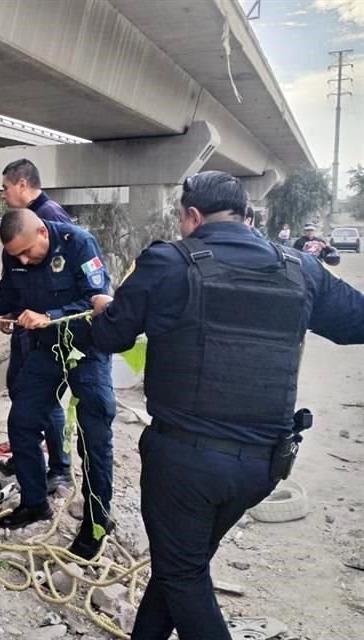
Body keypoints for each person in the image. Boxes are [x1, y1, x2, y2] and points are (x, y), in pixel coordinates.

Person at [88, 170, 364, 640]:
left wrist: (103, 308)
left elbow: (110, 337)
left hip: (186, 464)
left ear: (192, 216)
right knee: (182, 564)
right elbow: (354, 325)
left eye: (180, 218)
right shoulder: (301, 268)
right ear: (246, 214)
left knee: (181, 573)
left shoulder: (168, 263)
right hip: (264, 465)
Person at [0, 208, 116, 560]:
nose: (23, 259)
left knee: (93, 433)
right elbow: (8, 297)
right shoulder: (16, 257)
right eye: (16, 256)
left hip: (86, 349)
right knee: (22, 421)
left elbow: (95, 301)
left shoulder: (78, 244)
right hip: (48, 351)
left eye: (27, 252)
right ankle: (35, 502)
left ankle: (97, 521)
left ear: (42, 232)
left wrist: (49, 316)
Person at [0, 158, 72, 487]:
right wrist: (12, 307)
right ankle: (29, 454)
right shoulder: (25, 221)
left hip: (47, 330)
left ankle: (59, 466)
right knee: (21, 391)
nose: (3, 194)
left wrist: (46, 317)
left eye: (5, 187)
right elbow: (22, 278)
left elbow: (60, 285)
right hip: (28, 323)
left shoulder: (50, 218)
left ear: (22, 184)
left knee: (45, 396)